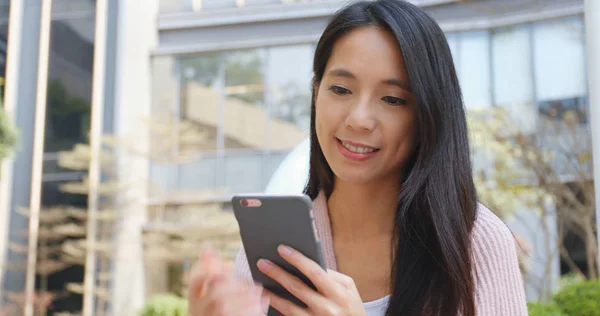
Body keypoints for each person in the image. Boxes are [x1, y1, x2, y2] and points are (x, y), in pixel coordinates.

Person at [187, 0, 528, 315]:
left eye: (393, 99)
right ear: (316, 91)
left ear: (428, 114)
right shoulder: (270, 253)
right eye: (340, 90)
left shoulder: (475, 242)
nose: (359, 119)